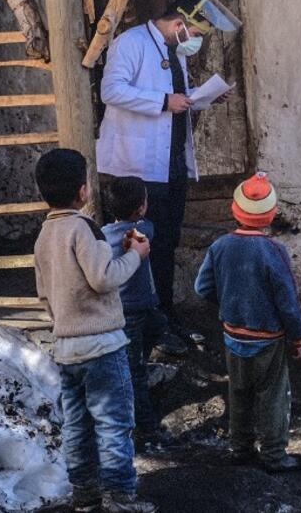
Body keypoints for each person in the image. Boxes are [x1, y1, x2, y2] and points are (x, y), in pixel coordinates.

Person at [96, 0, 241, 355]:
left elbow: (176, 97)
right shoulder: (130, 43)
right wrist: (163, 103)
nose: (194, 41)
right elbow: (110, 90)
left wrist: (203, 96)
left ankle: (165, 316)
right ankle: (141, 321)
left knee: (166, 243)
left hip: (170, 166)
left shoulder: (172, 50)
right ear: (178, 24)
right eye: (193, 32)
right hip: (138, 167)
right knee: (140, 245)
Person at [33, 148, 157, 513]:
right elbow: (104, 279)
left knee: (77, 425)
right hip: (102, 347)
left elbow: (44, 293)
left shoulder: (44, 235)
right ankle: (121, 497)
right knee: (114, 425)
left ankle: (84, 493)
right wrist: (136, 255)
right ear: (83, 191)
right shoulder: (85, 227)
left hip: (67, 348)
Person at [194, 173, 301, 473]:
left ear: (235, 210)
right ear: (271, 215)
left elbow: (202, 288)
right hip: (268, 339)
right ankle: (273, 455)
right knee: (272, 396)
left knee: (239, 392)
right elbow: (288, 305)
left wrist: (230, 301)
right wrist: (298, 339)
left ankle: (239, 448)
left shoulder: (220, 247)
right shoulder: (275, 252)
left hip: (233, 335)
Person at [101, 176, 171, 448]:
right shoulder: (145, 231)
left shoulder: (104, 236)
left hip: (125, 309)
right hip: (138, 308)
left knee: (153, 329)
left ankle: (138, 359)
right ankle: (147, 428)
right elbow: (148, 229)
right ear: (141, 208)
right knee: (135, 374)